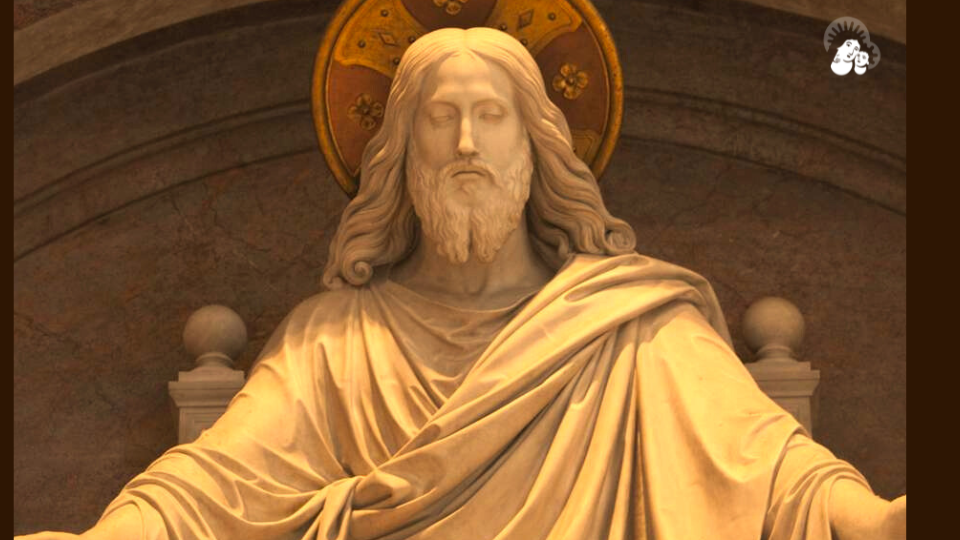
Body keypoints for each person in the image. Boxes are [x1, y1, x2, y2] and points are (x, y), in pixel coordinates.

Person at [19, 27, 905, 540]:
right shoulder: (337, 339)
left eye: (491, 116)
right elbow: (216, 483)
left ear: (537, 144)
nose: (468, 144)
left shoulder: (632, 326)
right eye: (441, 119)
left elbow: (773, 469)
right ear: (402, 153)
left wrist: (877, 523)